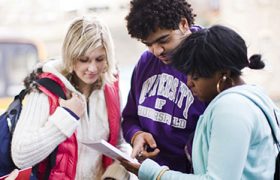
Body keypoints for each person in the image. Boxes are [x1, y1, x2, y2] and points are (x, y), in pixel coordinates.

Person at [120, 25, 280, 179]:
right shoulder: (251, 97)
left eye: (195, 77)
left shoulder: (231, 109)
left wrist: (153, 173)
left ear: (223, 75)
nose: (189, 83)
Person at [11, 16, 131, 180]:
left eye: (100, 59)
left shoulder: (111, 86)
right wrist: (68, 116)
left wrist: (116, 174)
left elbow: (118, 145)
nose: (92, 68)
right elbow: (21, 155)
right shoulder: (44, 90)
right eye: (84, 60)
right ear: (71, 56)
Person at [122, 0, 206, 173]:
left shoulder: (209, 63)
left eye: (163, 40)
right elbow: (130, 118)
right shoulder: (146, 62)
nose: (156, 51)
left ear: (183, 24)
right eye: (148, 44)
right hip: (149, 173)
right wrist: (137, 136)